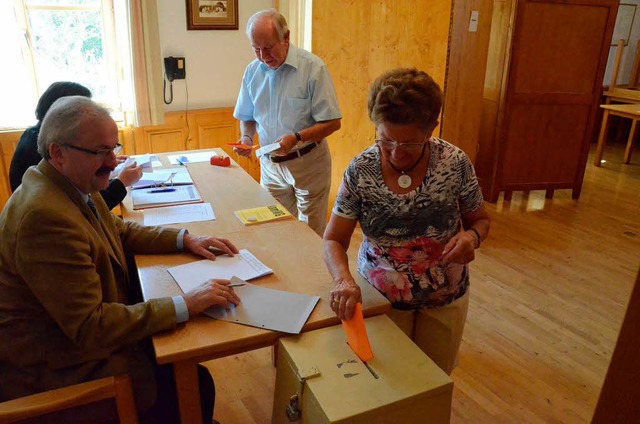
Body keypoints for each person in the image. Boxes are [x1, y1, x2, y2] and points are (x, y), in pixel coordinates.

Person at [0, 96, 240, 423]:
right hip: (54, 369)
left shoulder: (64, 182)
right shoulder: (44, 217)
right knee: (192, 383)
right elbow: (91, 326)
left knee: (191, 377)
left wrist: (185, 239)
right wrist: (186, 303)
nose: (113, 163)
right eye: (101, 152)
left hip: (71, 343)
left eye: (114, 148)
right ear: (58, 153)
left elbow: (117, 228)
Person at [323, 68, 490, 375]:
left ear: (431, 129)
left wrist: (472, 238)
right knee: (388, 384)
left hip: (445, 297)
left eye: (410, 143)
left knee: (433, 381)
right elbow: (333, 238)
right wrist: (342, 279)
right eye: (386, 140)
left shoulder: (454, 163)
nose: (396, 152)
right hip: (380, 296)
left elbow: (479, 219)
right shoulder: (362, 169)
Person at [233, 8, 342, 237]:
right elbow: (247, 115)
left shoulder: (313, 69)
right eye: (256, 49)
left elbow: (332, 122)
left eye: (268, 47)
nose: (263, 56)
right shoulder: (252, 72)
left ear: (286, 37)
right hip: (270, 165)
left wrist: (297, 138)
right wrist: (246, 137)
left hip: (308, 163)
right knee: (275, 229)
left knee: (310, 233)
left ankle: (311, 273)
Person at [9, 81, 142, 209]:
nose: (112, 163)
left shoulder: (34, 134)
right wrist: (121, 182)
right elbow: (93, 207)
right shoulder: (47, 212)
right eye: (85, 111)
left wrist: (101, 157)